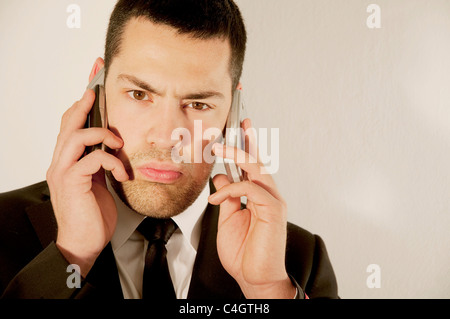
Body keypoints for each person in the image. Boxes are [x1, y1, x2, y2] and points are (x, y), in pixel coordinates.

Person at [0, 0, 338, 299]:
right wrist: (71, 257)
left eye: (197, 103)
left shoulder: (297, 262)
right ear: (98, 87)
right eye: (139, 94)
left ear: (232, 111)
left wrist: (267, 292)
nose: (165, 138)